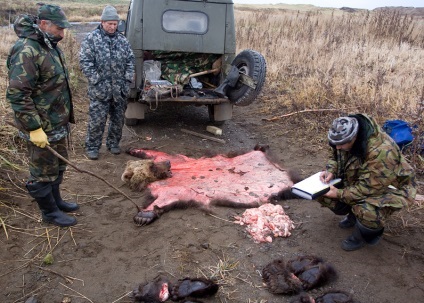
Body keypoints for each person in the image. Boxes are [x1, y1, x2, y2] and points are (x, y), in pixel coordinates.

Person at [6, 4, 79, 227]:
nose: (62, 33)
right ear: (44, 24)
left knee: (57, 166)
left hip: (56, 123)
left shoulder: (49, 45)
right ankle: (49, 213)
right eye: (59, 28)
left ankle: (56, 202)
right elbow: (18, 94)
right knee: (41, 172)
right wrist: (34, 128)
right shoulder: (27, 50)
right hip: (41, 126)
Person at [318, 114, 416, 251]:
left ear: (354, 138)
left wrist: (338, 193)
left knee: (366, 210)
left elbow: (367, 189)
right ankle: (353, 214)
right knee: (320, 191)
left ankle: (364, 235)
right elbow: (335, 156)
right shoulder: (342, 139)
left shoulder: (381, 152)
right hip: (365, 180)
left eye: (341, 144)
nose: (338, 147)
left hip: (391, 188)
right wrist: (330, 170)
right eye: (335, 144)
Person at [79, 5, 135, 160]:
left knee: (118, 120)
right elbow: (85, 62)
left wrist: (127, 79)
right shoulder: (92, 38)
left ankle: (113, 144)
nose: (112, 27)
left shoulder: (122, 40)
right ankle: (92, 147)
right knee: (97, 121)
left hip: (120, 90)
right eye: (110, 23)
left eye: (115, 24)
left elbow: (130, 61)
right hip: (100, 90)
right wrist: (97, 80)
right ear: (102, 22)